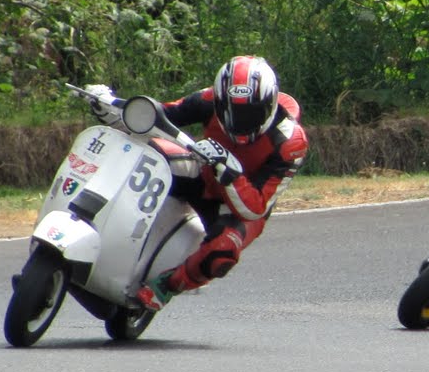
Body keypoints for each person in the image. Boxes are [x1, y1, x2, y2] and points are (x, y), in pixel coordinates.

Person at [85, 55, 308, 311]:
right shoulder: (207, 100)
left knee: (222, 253)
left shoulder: (291, 141)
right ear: (220, 101)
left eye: (250, 114)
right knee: (152, 153)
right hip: (202, 175)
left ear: (269, 104)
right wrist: (112, 109)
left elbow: (255, 207)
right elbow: (162, 115)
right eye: (231, 112)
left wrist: (228, 169)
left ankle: (166, 286)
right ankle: (99, 212)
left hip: (238, 205)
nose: (240, 123)